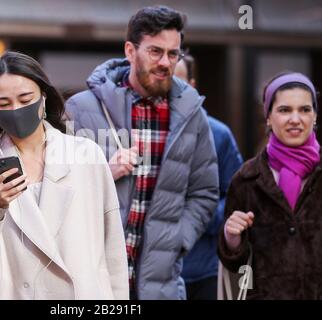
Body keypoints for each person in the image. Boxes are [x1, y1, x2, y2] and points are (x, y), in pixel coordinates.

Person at [65, 6, 219, 300]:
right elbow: (55, 189)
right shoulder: (81, 109)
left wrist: (177, 239)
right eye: (155, 51)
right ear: (130, 50)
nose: (165, 62)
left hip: (161, 286)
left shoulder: (192, 116)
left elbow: (205, 192)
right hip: (94, 284)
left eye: (173, 54)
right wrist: (103, 174)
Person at [0, 51, 129, 300]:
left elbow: (113, 249)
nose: (15, 110)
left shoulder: (86, 155)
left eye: (25, 99)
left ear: (43, 98)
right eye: (3, 104)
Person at [218, 72, 321, 299]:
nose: (296, 119)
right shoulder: (246, 179)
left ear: (315, 116)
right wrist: (232, 238)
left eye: (305, 109)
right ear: (268, 117)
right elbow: (237, 266)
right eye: (284, 110)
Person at [174, 54, 243, 300]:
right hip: (154, 269)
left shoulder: (219, 134)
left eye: (177, 79)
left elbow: (238, 197)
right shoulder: (141, 129)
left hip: (205, 269)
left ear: (191, 85)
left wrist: (197, 215)